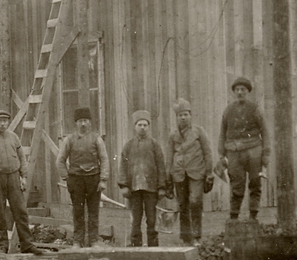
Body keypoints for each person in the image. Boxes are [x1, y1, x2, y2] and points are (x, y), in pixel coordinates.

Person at [0, 109, 38, 254]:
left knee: (21, 211)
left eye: (5, 121)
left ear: (8, 122)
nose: (3, 124)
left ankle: (27, 244)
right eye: (0, 120)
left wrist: (23, 177)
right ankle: (2, 246)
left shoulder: (13, 137)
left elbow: (21, 158)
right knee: (0, 213)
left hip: (13, 177)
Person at [57, 106, 110, 248]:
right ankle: (77, 241)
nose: (83, 124)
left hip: (93, 179)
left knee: (93, 211)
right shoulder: (69, 139)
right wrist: (66, 177)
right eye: (80, 121)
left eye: (86, 120)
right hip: (76, 180)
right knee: (78, 211)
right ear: (76, 123)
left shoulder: (97, 139)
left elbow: (104, 159)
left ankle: (93, 240)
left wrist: (103, 180)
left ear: (90, 122)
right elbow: (60, 160)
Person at [218, 76, 269, 221]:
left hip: (253, 151)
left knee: (255, 183)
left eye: (243, 89)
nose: (240, 92)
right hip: (234, 152)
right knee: (236, 185)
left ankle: (253, 216)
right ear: (234, 92)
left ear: (248, 91)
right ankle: (234, 217)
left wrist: (266, 154)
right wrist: (221, 154)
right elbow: (222, 133)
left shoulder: (255, 109)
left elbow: (265, 132)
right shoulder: (228, 110)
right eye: (237, 90)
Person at [118, 110, 168, 247]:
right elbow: (123, 166)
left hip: (151, 188)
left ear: (149, 127)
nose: (142, 127)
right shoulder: (128, 146)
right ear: (135, 126)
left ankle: (153, 246)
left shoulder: (154, 145)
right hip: (134, 188)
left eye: (145, 125)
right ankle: (136, 245)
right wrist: (124, 185)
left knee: (151, 219)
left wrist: (162, 187)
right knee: (136, 219)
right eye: (139, 125)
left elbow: (161, 166)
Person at [168, 98, 214, 245]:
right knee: (182, 204)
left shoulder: (198, 132)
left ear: (190, 116)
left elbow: (208, 153)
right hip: (179, 174)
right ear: (176, 117)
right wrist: (168, 177)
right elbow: (169, 157)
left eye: (186, 114)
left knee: (195, 201)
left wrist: (209, 172)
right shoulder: (173, 136)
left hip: (196, 172)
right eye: (180, 115)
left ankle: (196, 236)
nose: (183, 117)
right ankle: (186, 238)